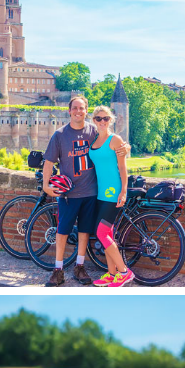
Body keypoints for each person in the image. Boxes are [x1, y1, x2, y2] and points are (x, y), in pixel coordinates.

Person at [41, 95, 128, 286]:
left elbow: (112, 142)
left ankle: (80, 266)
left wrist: (125, 147)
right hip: (68, 194)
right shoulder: (60, 134)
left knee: (84, 231)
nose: (78, 111)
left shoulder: (93, 131)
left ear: (86, 111)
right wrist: (46, 186)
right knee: (62, 231)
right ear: (69, 110)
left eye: (82, 108)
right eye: (75, 108)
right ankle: (58, 269)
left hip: (91, 192)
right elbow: (49, 161)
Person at [89, 105, 134, 287]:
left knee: (101, 232)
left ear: (111, 120)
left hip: (114, 192)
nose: (102, 121)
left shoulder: (115, 140)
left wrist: (123, 191)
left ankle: (124, 272)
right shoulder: (93, 141)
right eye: (98, 118)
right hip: (100, 193)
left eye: (105, 118)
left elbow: (123, 168)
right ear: (94, 121)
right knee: (105, 234)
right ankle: (111, 273)